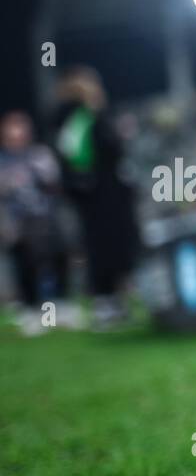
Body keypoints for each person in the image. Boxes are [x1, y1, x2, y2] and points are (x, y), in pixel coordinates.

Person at [53, 66, 140, 327]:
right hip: (95, 196)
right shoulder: (78, 119)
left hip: (106, 193)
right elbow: (95, 152)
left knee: (116, 245)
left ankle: (116, 300)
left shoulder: (88, 118)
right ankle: (105, 303)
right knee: (100, 247)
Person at [0, 111, 68, 335]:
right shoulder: (3, 161)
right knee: (26, 266)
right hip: (16, 222)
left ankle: (59, 310)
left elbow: (54, 183)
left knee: (55, 261)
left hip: (45, 218)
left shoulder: (39, 154)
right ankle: (31, 313)